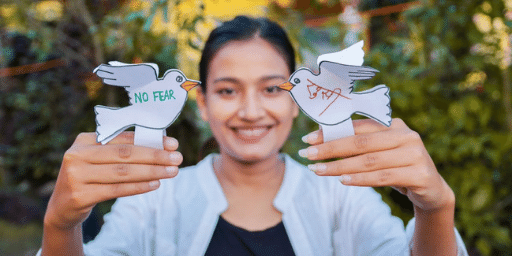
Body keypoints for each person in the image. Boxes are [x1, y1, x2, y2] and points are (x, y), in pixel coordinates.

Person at [39, 16, 468, 255]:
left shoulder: (343, 197)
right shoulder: (154, 199)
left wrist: (435, 209)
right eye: (228, 90)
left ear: (297, 99)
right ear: (203, 103)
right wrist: (60, 227)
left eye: (271, 89)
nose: (250, 111)